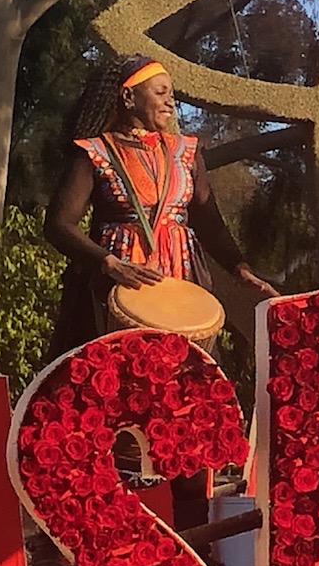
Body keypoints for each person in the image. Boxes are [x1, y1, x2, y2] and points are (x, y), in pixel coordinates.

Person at [44, 53, 272, 362]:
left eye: (171, 95)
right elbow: (59, 224)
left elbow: (208, 221)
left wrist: (239, 267)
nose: (170, 103)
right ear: (128, 96)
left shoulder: (186, 152)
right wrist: (108, 262)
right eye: (160, 92)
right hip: (115, 286)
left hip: (182, 282)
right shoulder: (93, 152)